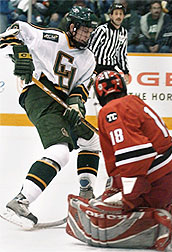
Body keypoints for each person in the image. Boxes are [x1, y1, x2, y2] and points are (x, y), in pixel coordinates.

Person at [0, 5, 100, 229]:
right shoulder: (53, 37)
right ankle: (20, 201)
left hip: (64, 103)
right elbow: (19, 30)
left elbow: (81, 89)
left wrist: (76, 104)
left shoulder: (89, 59)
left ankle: (86, 193)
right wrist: (22, 54)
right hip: (39, 95)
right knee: (60, 151)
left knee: (93, 141)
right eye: (84, 30)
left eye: (90, 31)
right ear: (72, 27)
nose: (88, 35)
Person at [65, 70, 172, 250]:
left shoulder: (110, 111)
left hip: (155, 182)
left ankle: (160, 221)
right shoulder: (133, 101)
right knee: (115, 197)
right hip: (168, 178)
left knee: (106, 215)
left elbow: (135, 155)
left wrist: (129, 197)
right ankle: (169, 207)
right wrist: (118, 186)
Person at [88, 2, 130, 84]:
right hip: (97, 67)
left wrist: (125, 71)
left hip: (110, 67)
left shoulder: (123, 32)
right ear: (111, 16)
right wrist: (91, 70)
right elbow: (92, 50)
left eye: (121, 14)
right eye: (116, 14)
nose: (118, 16)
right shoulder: (102, 30)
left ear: (124, 16)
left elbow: (121, 54)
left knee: (119, 89)